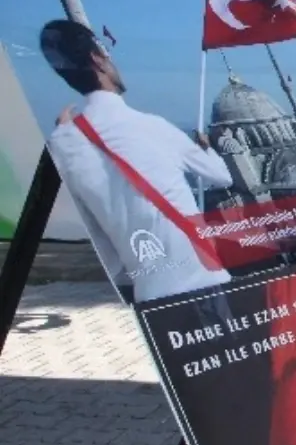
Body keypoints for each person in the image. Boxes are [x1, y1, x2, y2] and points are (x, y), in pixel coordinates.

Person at [39, 19, 234, 303]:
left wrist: (62, 135)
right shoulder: (152, 127)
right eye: (106, 52)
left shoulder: (62, 145)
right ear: (98, 60)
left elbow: (93, 232)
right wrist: (207, 148)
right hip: (205, 279)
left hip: (147, 293)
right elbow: (222, 176)